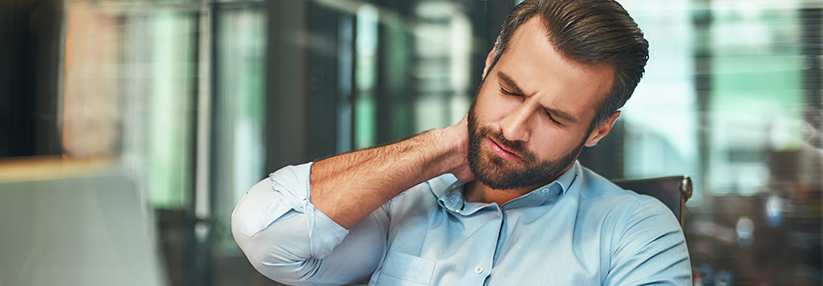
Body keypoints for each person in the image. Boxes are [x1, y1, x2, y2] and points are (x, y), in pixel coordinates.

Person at [232, 0, 692, 285]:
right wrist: (444, 148)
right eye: (509, 90)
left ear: (599, 129)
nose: (512, 129)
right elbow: (267, 238)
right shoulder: (403, 206)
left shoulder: (635, 230)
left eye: (553, 116)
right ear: (490, 62)